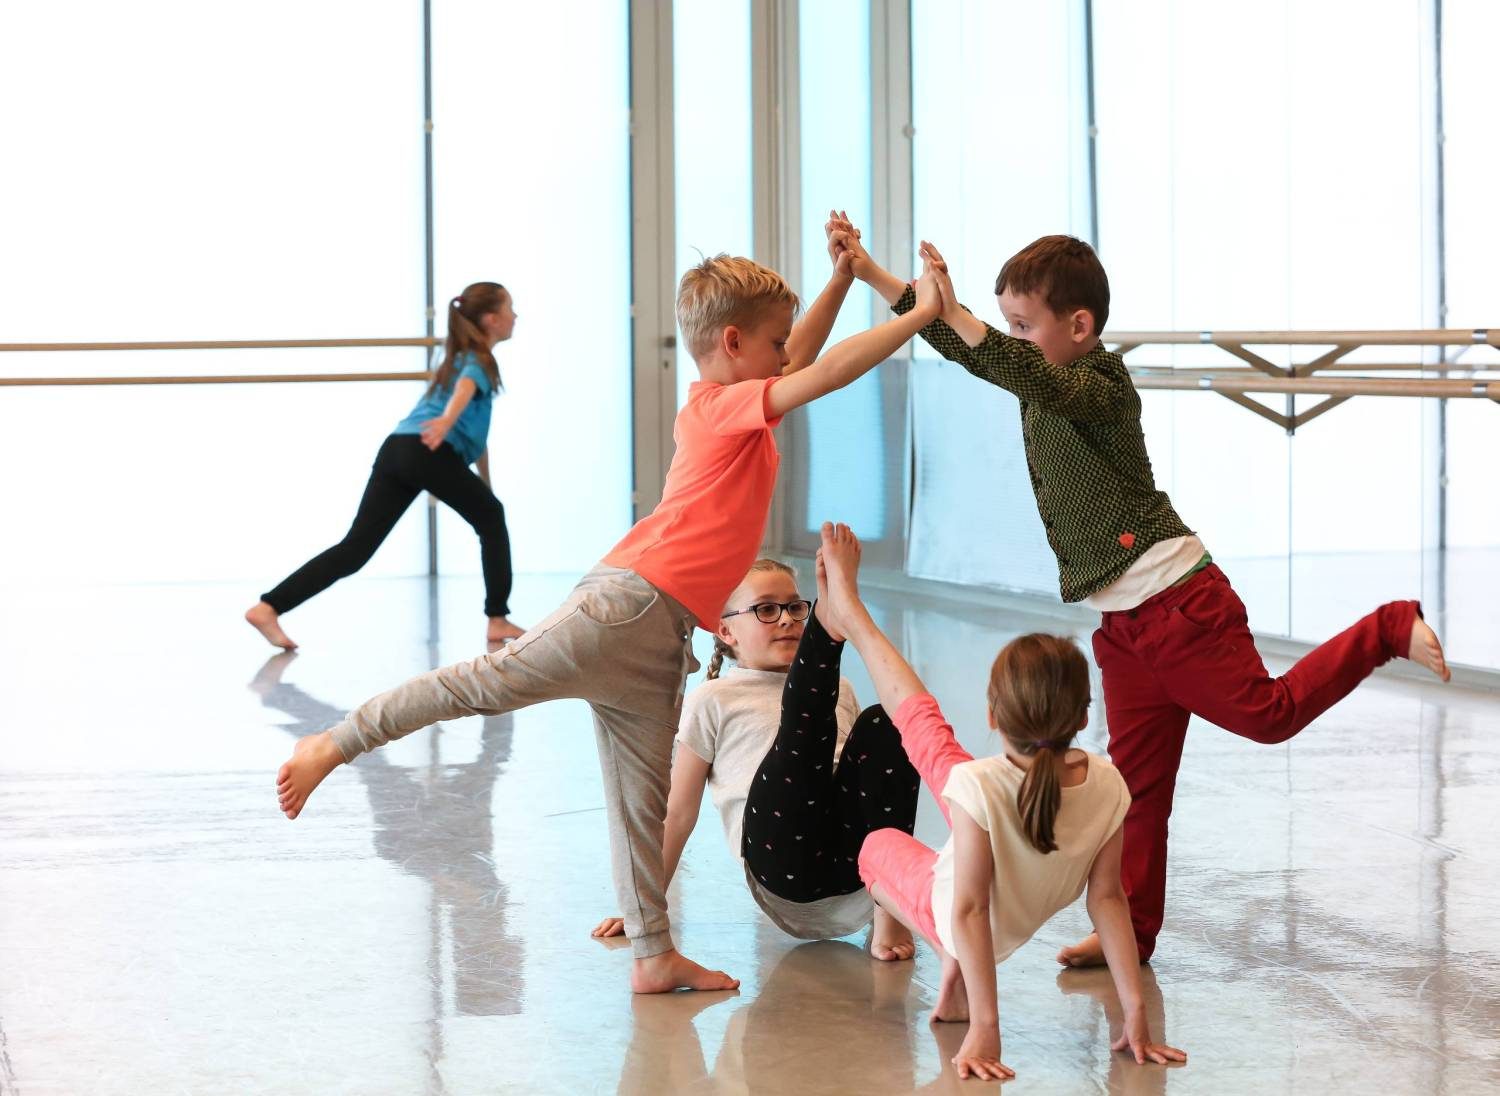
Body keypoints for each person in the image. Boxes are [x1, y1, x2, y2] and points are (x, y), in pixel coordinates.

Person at [272, 239, 947, 994]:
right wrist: (917, 316)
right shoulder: (717, 409)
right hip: (626, 607)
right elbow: (821, 373)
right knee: (479, 686)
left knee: (639, 803)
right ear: (732, 343)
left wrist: (841, 280)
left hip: (663, 636)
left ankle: (653, 956)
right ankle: (334, 743)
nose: (785, 355)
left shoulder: (742, 403)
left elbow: (802, 362)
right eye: (773, 342)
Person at [835, 220, 1451, 966]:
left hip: (1180, 604)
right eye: (1008, 325)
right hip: (1125, 630)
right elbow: (968, 347)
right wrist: (875, 274)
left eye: (1024, 325)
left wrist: (957, 315)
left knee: (1269, 716)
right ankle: (1130, 932)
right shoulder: (1039, 373)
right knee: (1137, 793)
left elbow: (1017, 367)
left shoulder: (1099, 385)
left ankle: (1387, 628)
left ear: (1079, 327)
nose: (1013, 339)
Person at [816, 521, 1186, 1082]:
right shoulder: (1108, 782)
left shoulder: (979, 787)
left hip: (962, 924)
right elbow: (1109, 900)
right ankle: (854, 613)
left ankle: (901, 931)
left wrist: (985, 1026)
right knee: (927, 735)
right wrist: (1136, 1010)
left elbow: (967, 911)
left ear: (993, 715)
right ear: (1082, 717)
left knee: (877, 844)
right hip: (1002, 889)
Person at [591, 557, 920, 959]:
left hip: (855, 874)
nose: (787, 619)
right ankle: (832, 625)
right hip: (785, 865)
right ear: (726, 631)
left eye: (796, 607)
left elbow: (876, 790)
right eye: (766, 609)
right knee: (800, 733)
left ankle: (890, 910)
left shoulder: (842, 690)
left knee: (889, 719)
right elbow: (677, 813)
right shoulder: (713, 699)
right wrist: (642, 908)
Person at [246, 282, 525, 650]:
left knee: (356, 549)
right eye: (510, 308)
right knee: (491, 518)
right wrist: (445, 421)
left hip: (398, 449)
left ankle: (268, 607)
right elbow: (465, 390)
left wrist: (483, 484)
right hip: (429, 449)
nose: (515, 316)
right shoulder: (477, 360)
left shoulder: (455, 360)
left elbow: (476, 437)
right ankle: (497, 618)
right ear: (491, 320)